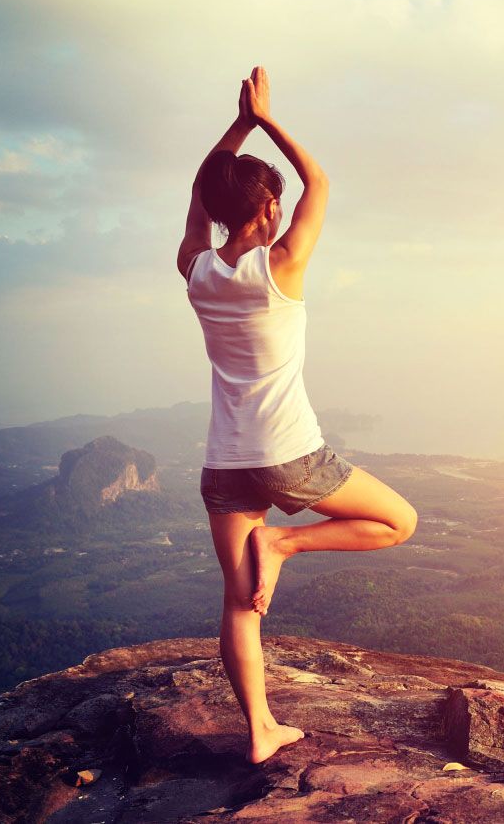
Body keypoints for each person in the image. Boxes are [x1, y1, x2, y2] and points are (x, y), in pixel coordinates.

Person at [176, 65, 418, 765]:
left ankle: (259, 729)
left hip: (225, 461)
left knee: (234, 598)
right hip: (290, 455)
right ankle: (286, 546)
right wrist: (267, 118)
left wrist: (239, 128)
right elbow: (321, 181)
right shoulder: (282, 265)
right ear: (271, 210)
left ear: (219, 210)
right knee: (398, 521)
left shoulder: (194, 267)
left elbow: (201, 187)